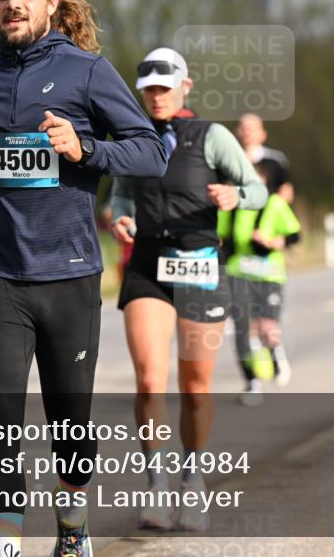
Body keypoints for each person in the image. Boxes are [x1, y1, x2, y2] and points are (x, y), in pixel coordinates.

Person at [0, 0, 166, 557]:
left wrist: (84, 148)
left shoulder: (87, 71)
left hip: (68, 277)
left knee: (70, 432)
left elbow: (150, 151)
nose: (12, 4)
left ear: (51, 1)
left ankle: (72, 526)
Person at [110, 47, 267, 531]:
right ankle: (157, 484)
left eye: (164, 88)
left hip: (199, 265)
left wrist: (235, 195)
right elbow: (120, 195)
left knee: (195, 387)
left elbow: (257, 190)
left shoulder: (212, 136)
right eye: (148, 90)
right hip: (148, 266)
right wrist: (120, 218)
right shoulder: (133, 138)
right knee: (149, 380)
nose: (156, 97)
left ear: (185, 86)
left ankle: (193, 479)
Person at [219, 164, 301, 406]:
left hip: (269, 275)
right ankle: (251, 381)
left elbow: (295, 235)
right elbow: (221, 235)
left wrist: (274, 242)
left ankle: (275, 351)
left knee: (267, 326)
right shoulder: (233, 206)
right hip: (238, 273)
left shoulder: (275, 204)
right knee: (242, 329)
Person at [235, 113, 293, 203]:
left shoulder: (275, 160)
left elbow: (287, 192)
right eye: (243, 128)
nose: (247, 132)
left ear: (263, 134)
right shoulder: (229, 160)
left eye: (251, 129)